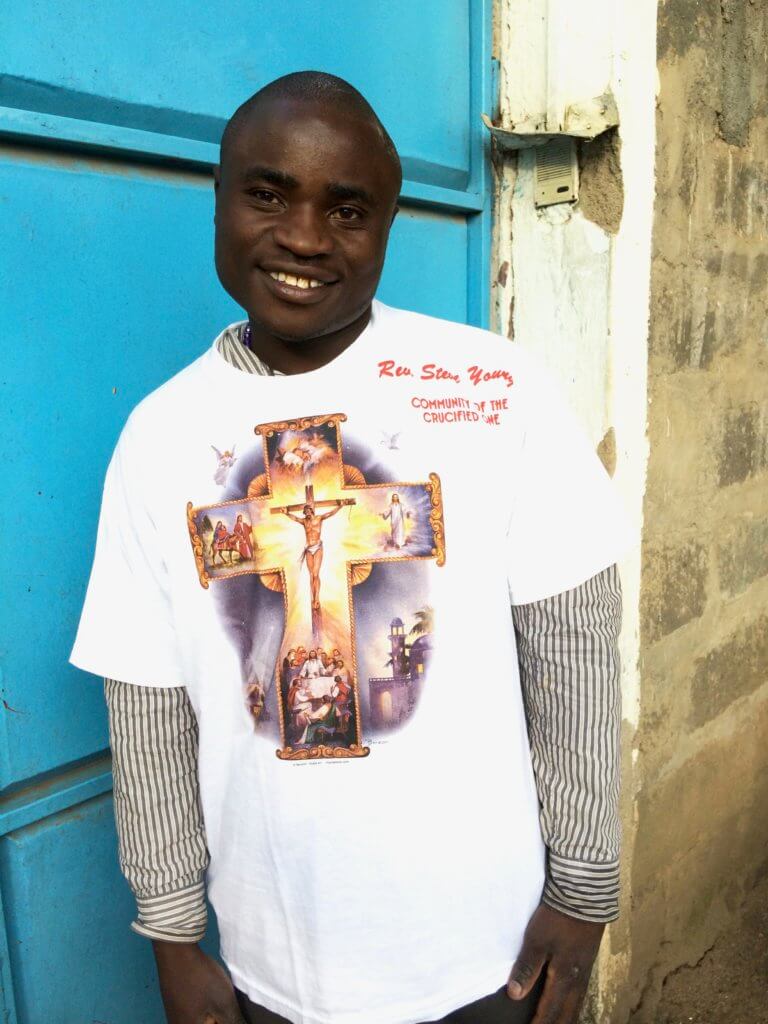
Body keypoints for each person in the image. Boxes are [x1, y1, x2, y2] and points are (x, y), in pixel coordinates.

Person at [72, 72, 628, 1024]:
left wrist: (583, 889)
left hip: (485, 951)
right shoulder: (159, 437)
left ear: (388, 225)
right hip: (274, 960)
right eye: (266, 193)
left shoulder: (492, 390)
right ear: (217, 198)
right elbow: (149, 700)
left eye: (348, 209)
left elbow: (572, 644)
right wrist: (171, 931)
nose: (302, 237)